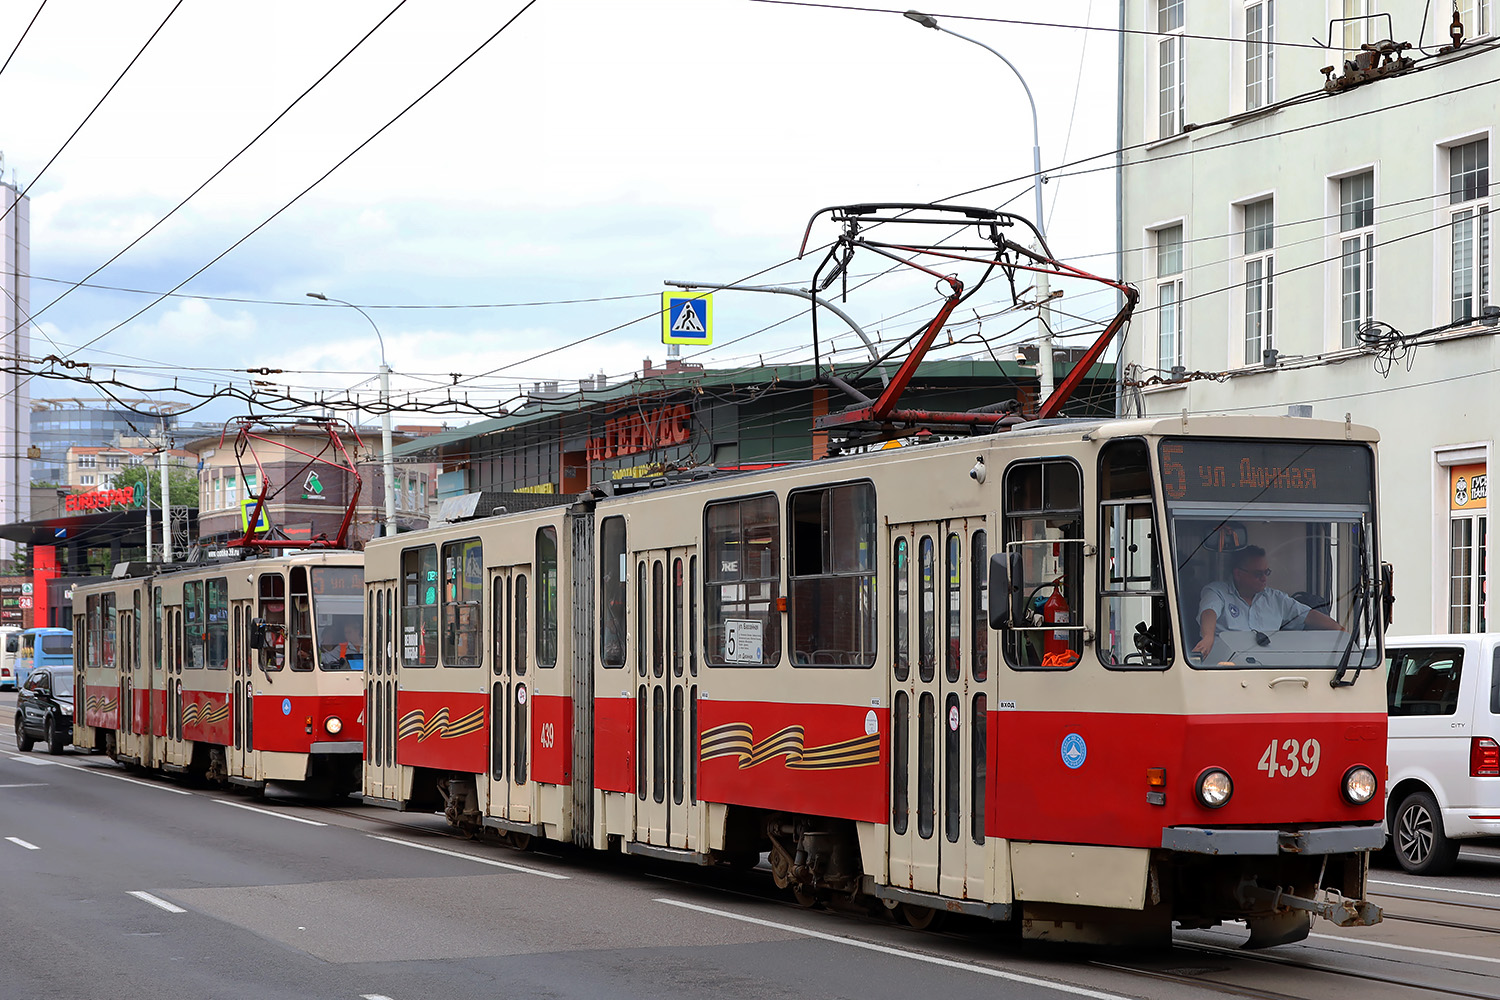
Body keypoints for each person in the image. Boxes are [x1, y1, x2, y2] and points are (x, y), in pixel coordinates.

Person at [1193, 545, 1343, 657]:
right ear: (1238, 574)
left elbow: (1307, 615)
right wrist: (1208, 637)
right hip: (1226, 669)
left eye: (1267, 572)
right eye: (1258, 574)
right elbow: (1209, 611)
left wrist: (1340, 630)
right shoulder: (1217, 591)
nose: (1264, 578)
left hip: (1268, 672)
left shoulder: (1276, 599)